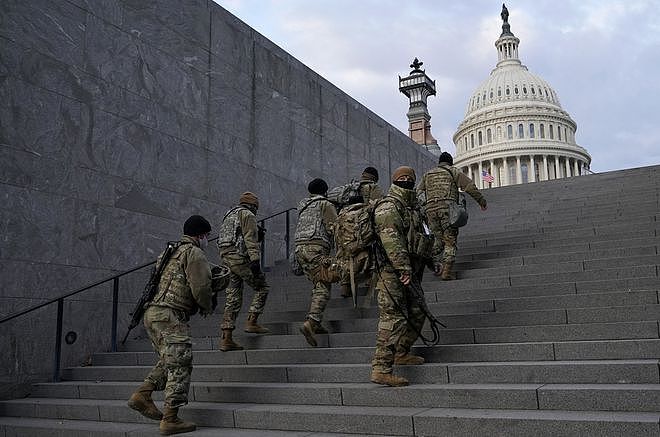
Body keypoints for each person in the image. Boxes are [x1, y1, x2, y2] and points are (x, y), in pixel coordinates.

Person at [127, 215, 213, 435]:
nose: (208, 241)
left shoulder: (169, 252)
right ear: (201, 235)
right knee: (180, 364)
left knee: (170, 359)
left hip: (153, 313)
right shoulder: (194, 252)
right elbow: (201, 286)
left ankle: (143, 394)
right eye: (208, 236)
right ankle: (171, 419)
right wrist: (206, 306)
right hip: (169, 315)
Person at [371, 166, 431, 387]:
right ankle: (381, 369)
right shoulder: (389, 206)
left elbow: (421, 237)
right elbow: (390, 238)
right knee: (392, 318)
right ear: (394, 182)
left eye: (409, 179)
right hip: (391, 271)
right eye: (401, 179)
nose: (406, 181)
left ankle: (401, 352)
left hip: (411, 271)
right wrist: (403, 267)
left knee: (418, 311)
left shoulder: (413, 208)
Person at [417, 152, 487, 280]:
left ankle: (427, 260)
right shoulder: (453, 171)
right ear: (450, 162)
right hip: (448, 210)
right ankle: (447, 272)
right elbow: (469, 186)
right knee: (450, 241)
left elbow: (419, 192)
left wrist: (426, 206)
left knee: (437, 240)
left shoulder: (428, 174)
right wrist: (482, 202)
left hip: (430, 211)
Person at [217, 192, 270, 352]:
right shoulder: (247, 215)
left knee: (232, 298)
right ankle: (252, 322)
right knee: (262, 288)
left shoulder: (230, 214)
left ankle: (226, 338)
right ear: (254, 206)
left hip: (226, 259)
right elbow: (250, 239)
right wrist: (255, 260)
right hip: (240, 259)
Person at [295, 178, 341, 347]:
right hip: (316, 248)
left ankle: (317, 322)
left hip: (300, 250)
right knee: (323, 283)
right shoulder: (325, 204)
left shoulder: (304, 207)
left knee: (317, 283)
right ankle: (312, 322)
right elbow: (334, 228)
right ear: (325, 191)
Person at [339, 166, 385, 298]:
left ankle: (345, 284)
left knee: (346, 254)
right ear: (375, 178)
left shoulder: (351, 188)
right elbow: (379, 207)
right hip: (365, 227)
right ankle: (370, 279)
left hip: (346, 227)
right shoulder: (374, 188)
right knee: (371, 250)